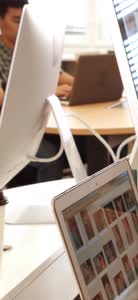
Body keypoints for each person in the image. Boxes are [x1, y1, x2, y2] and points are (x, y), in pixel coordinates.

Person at [0, 0, 72, 184]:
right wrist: (51, 92)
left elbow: (65, 78)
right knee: (51, 157)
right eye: (17, 21)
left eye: (26, 21)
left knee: (78, 146)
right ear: (1, 21)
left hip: (33, 123)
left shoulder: (34, 48)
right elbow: (5, 102)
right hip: (9, 130)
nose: (23, 27)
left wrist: (84, 86)